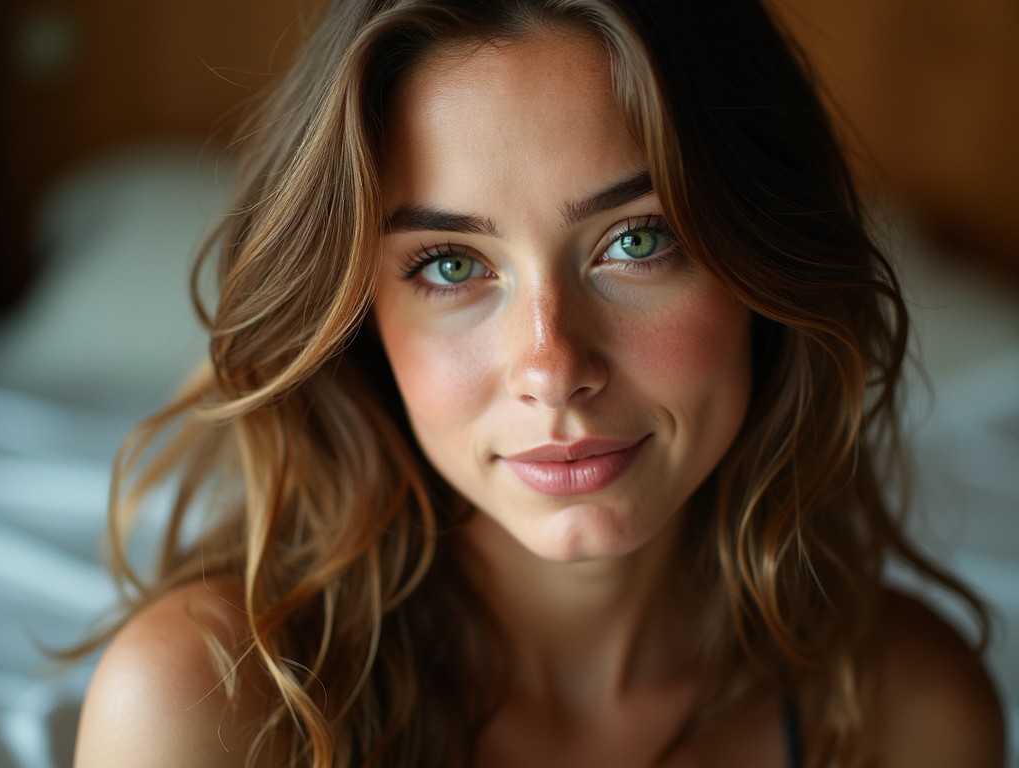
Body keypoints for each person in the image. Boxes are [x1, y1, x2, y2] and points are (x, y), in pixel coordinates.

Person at [73, 1, 1005, 766]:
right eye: (448, 265)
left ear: (767, 269)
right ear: (357, 324)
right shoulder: (206, 708)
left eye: (636, 241)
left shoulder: (906, 713)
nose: (552, 368)